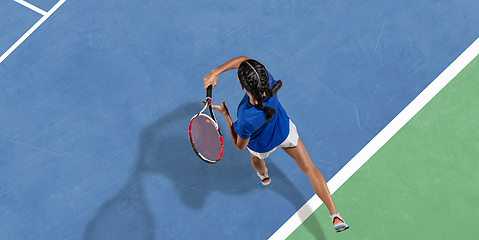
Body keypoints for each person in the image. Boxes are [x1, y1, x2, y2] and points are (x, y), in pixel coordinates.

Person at [203, 56, 349, 233]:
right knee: (310, 169)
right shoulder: (270, 82)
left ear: (242, 86)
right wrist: (214, 73)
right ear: (263, 76)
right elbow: (243, 60)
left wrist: (225, 115)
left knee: (256, 159)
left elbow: (239, 145)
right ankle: (335, 215)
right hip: (284, 131)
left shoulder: (246, 117)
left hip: (261, 146)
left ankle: (264, 175)